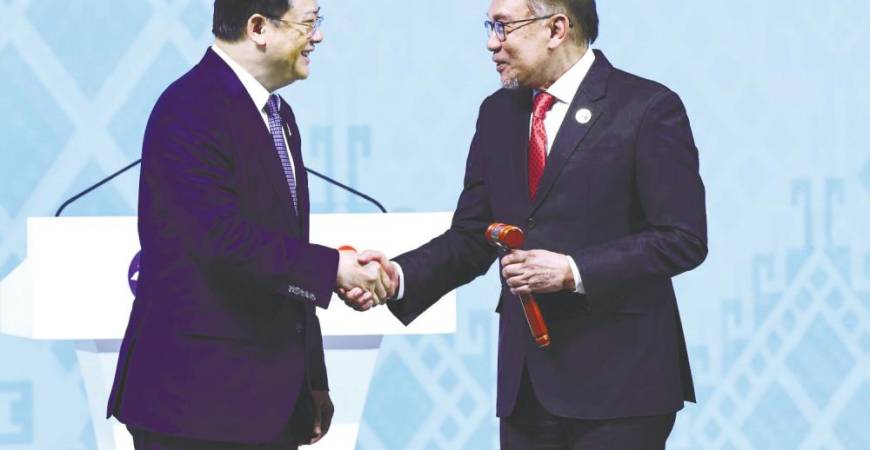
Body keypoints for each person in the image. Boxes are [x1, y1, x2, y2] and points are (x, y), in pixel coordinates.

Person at [344, 0, 708, 448]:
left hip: (621, 387)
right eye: (489, 27)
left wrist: (573, 270)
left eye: (503, 27)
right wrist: (396, 276)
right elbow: (473, 235)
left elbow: (682, 238)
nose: (491, 43)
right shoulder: (498, 113)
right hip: (527, 388)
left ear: (556, 28)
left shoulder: (647, 107)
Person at [106, 1, 391, 448]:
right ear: (258, 28)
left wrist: (312, 379)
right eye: (310, 24)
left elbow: (284, 249)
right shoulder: (189, 107)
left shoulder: (279, 117)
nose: (318, 37)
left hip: (266, 403)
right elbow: (221, 241)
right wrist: (334, 269)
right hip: (195, 407)